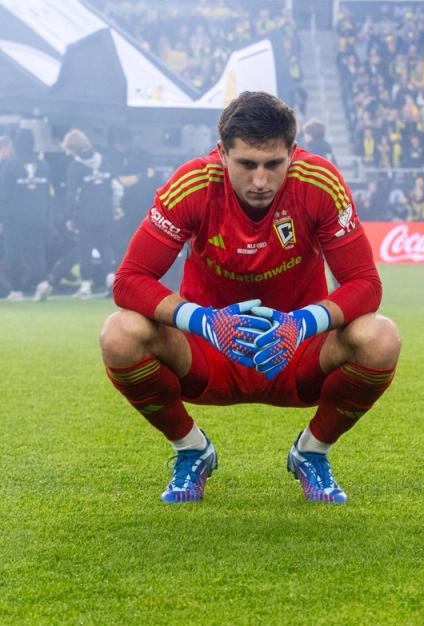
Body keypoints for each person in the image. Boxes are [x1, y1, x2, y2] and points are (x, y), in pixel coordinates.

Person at [99, 92, 401, 504]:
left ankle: (311, 453)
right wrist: (203, 320)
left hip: (295, 351)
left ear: (292, 152)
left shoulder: (319, 182)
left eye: (273, 164)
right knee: (119, 334)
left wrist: (301, 324)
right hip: (208, 349)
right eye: (246, 164)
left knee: (381, 337)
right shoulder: (193, 184)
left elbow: (366, 283)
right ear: (222, 152)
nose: (260, 181)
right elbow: (129, 280)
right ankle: (191, 450)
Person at [62, 129, 118, 299]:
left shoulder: (75, 166)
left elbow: (73, 194)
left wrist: (69, 216)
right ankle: (112, 283)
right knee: (105, 248)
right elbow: (115, 187)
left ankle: (86, 286)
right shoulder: (105, 161)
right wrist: (115, 207)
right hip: (106, 212)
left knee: (85, 250)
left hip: (84, 215)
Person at [1, 130, 51, 301]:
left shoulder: (10, 165)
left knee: (12, 253)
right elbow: (47, 193)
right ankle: (42, 281)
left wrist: (2, 218)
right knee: (36, 251)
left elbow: (4, 195)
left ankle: (16, 290)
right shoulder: (42, 165)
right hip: (37, 216)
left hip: (14, 219)